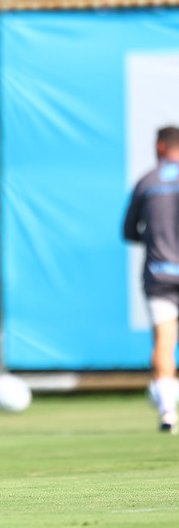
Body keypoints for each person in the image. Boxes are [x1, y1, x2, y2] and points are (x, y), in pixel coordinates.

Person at [124, 125, 179, 434]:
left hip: (160, 274)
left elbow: (129, 231)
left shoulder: (147, 181)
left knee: (164, 342)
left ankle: (168, 413)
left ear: (160, 147)